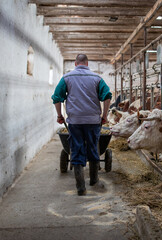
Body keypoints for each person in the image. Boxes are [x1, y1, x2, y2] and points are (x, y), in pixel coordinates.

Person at [51, 54, 112, 196]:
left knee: (76, 150)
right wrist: (104, 115)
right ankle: (94, 180)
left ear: (75, 63)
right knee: (93, 148)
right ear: (87, 63)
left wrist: (60, 116)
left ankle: (80, 187)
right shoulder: (97, 78)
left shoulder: (67, 78)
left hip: (75, 121)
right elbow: (107, 96)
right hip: (93, 121)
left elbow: (56, 98)